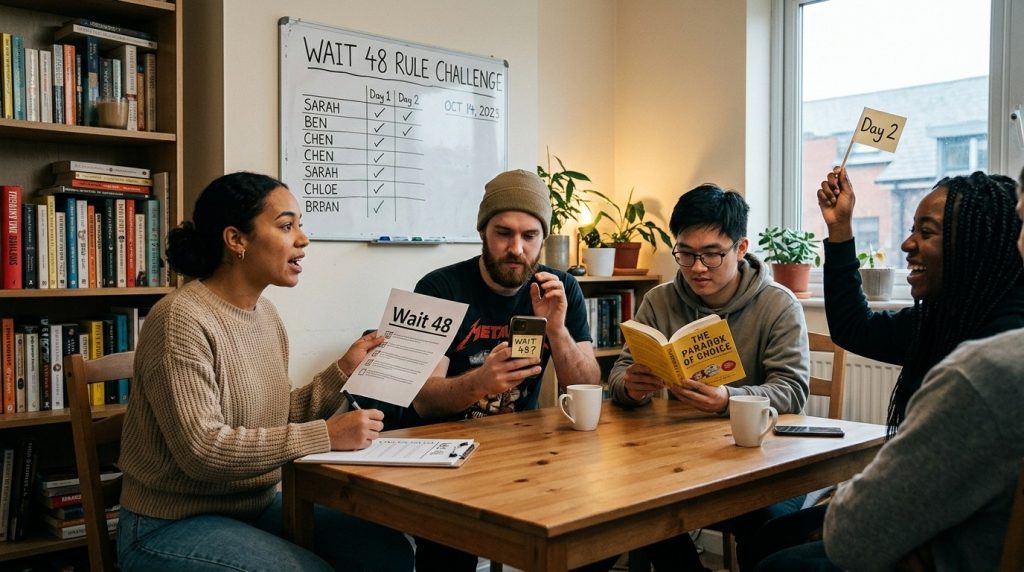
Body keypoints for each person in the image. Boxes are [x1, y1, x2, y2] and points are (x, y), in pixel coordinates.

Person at [116, 172, 414, 572]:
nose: (303, 240)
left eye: (300, 226)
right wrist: (325, 435)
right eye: (287, 226)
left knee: (387, 551)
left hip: (254, 508)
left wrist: (343, 371)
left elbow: (272, 418)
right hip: (167, 525)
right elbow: (203, 451)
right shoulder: (179, 320)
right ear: (236, 239)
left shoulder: (266, 315)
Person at [750, 167, 1024, 568]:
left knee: (775, 560)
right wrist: (839, 229)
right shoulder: (947, 317)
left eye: (927, 232)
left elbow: (872, 525)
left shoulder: (989, 361)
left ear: (979, 246)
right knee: (772, 535)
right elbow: (855, 327)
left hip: (948, 539)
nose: (906, 244)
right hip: (939, 520)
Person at [606, 184, 811, 571]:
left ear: (740, 248)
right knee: (639, 509)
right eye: (685, 253)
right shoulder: (659, 300)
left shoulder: (777, 303)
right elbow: (619, 374)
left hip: (763, 459)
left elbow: (792, 390)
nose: (697, 267)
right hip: (678, 456)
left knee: (767, 528)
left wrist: (728, 400)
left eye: (712, 255)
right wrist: (630, 387)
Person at [405, 169, 602, 571]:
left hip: (522, 451)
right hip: (444, 453)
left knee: (589, 527)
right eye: (503, 233)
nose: (516, 248)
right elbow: (423, 401)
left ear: (543, 239)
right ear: (482, 232)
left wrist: (558, 330)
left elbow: (586, 386)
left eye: (529, 236)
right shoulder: (438, 289)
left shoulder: (560, 288)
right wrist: (480, 381)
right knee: (449, 552)